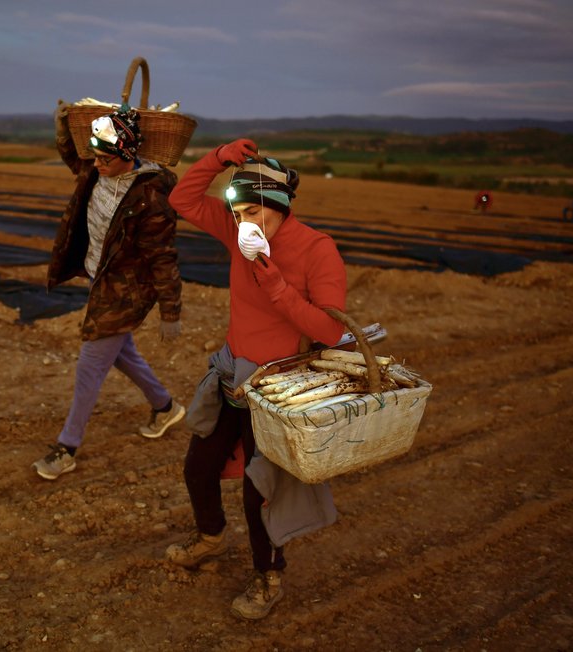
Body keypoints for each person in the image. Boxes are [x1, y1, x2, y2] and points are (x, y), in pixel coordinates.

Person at [165, 138, 347, 620]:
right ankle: (210, 538)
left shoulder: (316, 250)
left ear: (279, 207)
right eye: (237, 213)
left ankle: (269, 576)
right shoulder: (235, 230)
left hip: (276, 388)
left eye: (253, 213)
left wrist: (275, 284)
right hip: (232, 373)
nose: (244, 223)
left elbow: (330, 330)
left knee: (259, 491)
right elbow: (180, 199)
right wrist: (219, 157)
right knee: (197, 467)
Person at [32, 102, 185, 480]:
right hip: (99, 279)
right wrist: (61, 130)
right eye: (95, 156)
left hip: (127, 291)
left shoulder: (151, 198)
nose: (96, 163)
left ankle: (67, 447)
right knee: (120, 353)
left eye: (104, 159)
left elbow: (163, 257)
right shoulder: (95, 168)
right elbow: (74, 155)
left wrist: (171, 310)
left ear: (127, 156)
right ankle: (165, 407)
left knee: (91, 364)